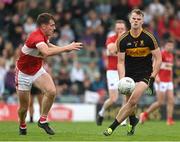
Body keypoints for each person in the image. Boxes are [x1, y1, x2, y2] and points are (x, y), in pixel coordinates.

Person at [15, 13, 83, 135]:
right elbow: (46, 52)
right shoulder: (36, 36)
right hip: (23, 74)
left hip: (37, 70)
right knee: (23, 108)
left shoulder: (44, 35)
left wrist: (65, 49)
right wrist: (66, 48)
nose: (54, 28)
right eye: (51, 25)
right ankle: (22, 124)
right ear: (43, 26)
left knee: (51, 91)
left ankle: (43, 120)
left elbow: (48, 45)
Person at [103, 9, 162, 136]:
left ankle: (112, 127)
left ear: (142, 21)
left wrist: (152, 77)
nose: (136, 21)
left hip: (145, 74)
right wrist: (122, 78)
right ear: (130, 20)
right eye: (134, 19)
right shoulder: (123, 40)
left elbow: (158, 58)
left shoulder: (149, 37)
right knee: (130, 102)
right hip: (129, 74)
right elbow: (120, 62)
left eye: (138, 19)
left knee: (132, 100)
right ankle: (132, 121)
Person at [96, 20, 127, 126]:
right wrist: (120, 38)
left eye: (122, 29)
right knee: (113, 99)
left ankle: (122, 119)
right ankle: (101, 112)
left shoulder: (130, 40)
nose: (120, 31)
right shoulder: (111, 39)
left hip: (123, 70)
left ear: (125, 29)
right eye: (118, 29)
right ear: (115, 29)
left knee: (126, 95)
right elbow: (112, 49)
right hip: (112, 71)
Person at [140, 39, 175, 125]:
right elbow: (154, 64)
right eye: (168, 45)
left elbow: (170, 69)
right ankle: (145, 114)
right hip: (161, 80)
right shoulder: (161, 54)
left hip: (168, 81)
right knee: (160, 102)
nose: (170, 47)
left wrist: (171, 80)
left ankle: (169, 119)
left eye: (171, 46)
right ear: (165, 46)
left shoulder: (171, 55)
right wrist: (156, 76)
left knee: (171, 100)